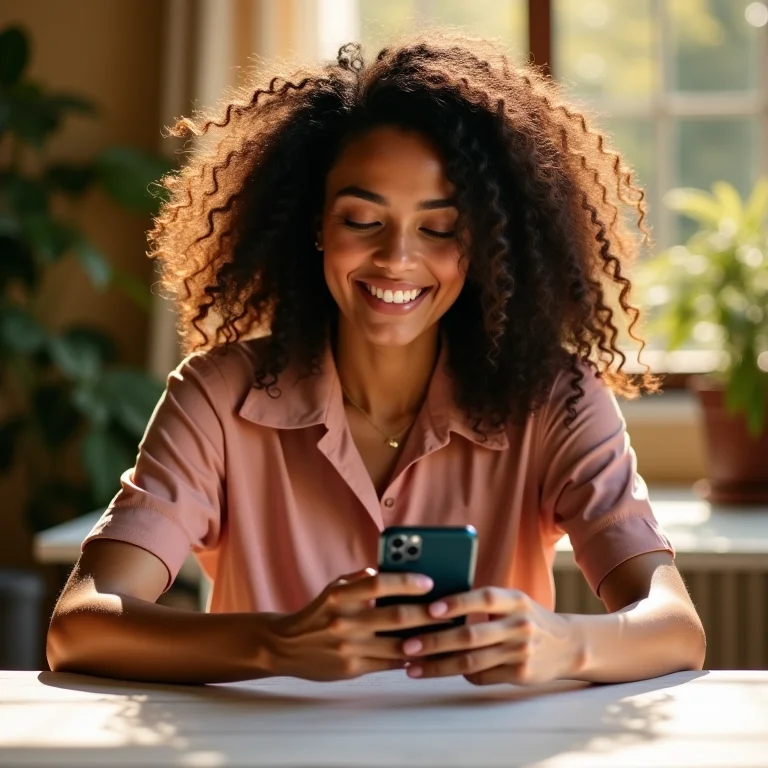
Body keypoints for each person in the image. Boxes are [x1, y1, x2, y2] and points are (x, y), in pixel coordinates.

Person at [47, 33, 705, 686]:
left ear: (485, 243)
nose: (396, 258)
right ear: (316, 225)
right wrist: (277, 644)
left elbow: (674, 627)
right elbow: (81, 624)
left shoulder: (555, 398)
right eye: (363, 219)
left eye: (440, 228)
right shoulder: (217, 398)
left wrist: (566, 646)